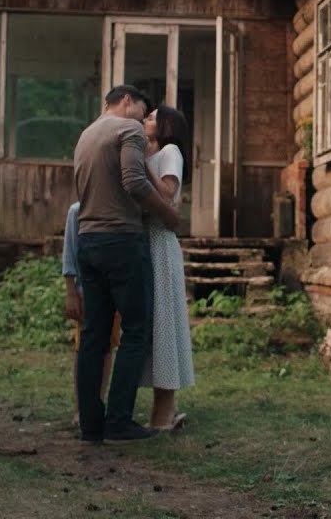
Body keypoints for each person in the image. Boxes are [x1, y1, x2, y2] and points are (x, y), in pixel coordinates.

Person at [73, 84, 181, 444]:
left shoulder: (86, 135)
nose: (143, 119)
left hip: (88, 240)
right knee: (136, 331)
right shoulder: (127, 129)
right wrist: (169, 215)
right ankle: (118, 421)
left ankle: (90, 425)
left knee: (94, 334)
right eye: (142, 111)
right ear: (125, 101)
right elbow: (133, 182)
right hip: (121, 240)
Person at [139, 106, 196, 430]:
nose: (145, 120)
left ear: (166, 126)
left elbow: (168, 193)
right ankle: (165, 410)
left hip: (160, 244)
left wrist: (142, 165)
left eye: (151, 118)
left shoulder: (170, 151)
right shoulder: (152, 155)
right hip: (146, 243)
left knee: (164, 324)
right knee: (152, 326)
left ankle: (163, 412)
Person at [61, 201, 121, 425]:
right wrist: (71, 292)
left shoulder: (118, 209)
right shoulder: (77, 210)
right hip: (86, 292)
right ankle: (81, 408)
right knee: (84, 348)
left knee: (108, 347)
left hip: (113, 290)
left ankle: (99, 402)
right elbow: (69, 253)